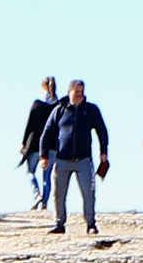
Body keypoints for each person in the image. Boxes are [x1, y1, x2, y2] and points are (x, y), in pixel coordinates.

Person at [47, 79, 110, 234]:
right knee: (58, 194)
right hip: (62, 160)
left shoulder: (90, 110)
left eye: (82, 92)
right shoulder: (59, 110)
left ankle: (90, 224)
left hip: (83, 160)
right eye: (77, 92)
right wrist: (44, 155)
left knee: (89, 192)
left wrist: (103, 152)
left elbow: (102, 131)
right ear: (70, 92)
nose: (80, 95)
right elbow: (47, 132)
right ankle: (59, 223)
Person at [19, 79, 59, 211]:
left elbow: (29, 126)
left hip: (35, 145)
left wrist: (24, 143)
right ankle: (44, 204)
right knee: (47, 176)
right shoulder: (58, 106)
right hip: (52, 146)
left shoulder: (37, 105)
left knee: (30, 172)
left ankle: (36, 195)